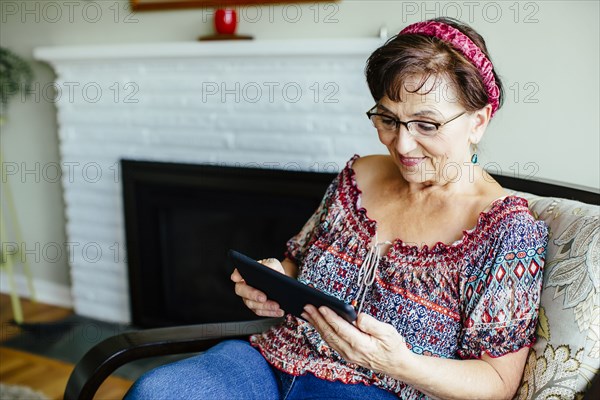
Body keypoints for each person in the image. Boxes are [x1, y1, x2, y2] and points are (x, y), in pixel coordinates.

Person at [125, 17, 548, 400]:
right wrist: (274, 281)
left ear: (479, 120)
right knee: (156, 391)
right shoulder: (360, 176)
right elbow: (297, 266)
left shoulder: (506, 232)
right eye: (387, 119)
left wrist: (400, 364)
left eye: (426, 125)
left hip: (381, 391)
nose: (400, 144)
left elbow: (498, 383)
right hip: (271, 362)